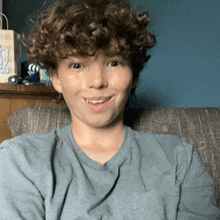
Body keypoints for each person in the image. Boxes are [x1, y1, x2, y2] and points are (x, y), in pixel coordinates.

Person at [0, 0, 220, 219]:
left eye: (113, 62)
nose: (97, 81)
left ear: (135, 74)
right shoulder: (20, 159)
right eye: (77, 65)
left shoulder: (180, 159)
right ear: (56, 77)